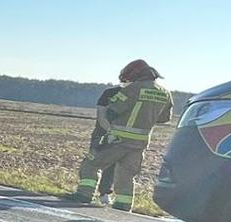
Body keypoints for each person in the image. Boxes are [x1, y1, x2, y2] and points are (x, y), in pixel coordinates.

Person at [70, 59, 173, 212]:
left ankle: (84, 194)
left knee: (92, 163)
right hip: (141, 142)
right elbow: (165, 118)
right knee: (126, 173)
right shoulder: (165, 93)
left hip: (118, 138)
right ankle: (123, 204)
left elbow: (114, 109)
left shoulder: (134, 88)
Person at [89, 84, 125, 205]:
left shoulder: (132, 95)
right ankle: (89, 192)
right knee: (95, 162)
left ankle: (102, 193)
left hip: (112, 135)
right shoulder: (110, 93)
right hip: (104, 134)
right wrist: (111, 132)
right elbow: (101, 115)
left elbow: (101, 115)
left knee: (110, 166)